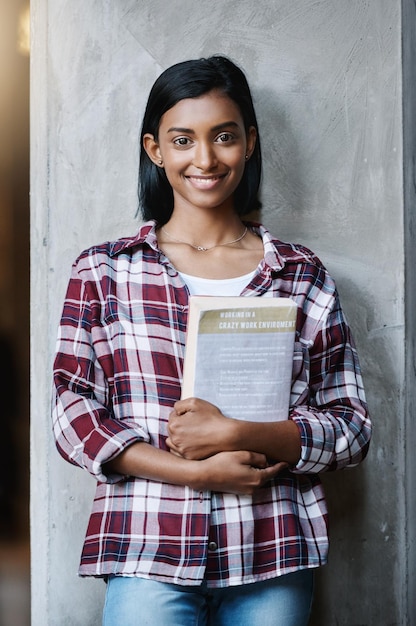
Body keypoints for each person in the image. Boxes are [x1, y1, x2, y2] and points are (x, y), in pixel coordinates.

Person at [52, 56, 372, 626]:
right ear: (155, 149)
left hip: (272, 553)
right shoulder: (104, 271)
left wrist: (241, 434)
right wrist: (195, 472)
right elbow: (73, 415)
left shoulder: (300, 275)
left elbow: (351, 429)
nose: (205, 159)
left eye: (224, 137)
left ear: (249, 142)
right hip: (147, 549)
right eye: (183, 140)